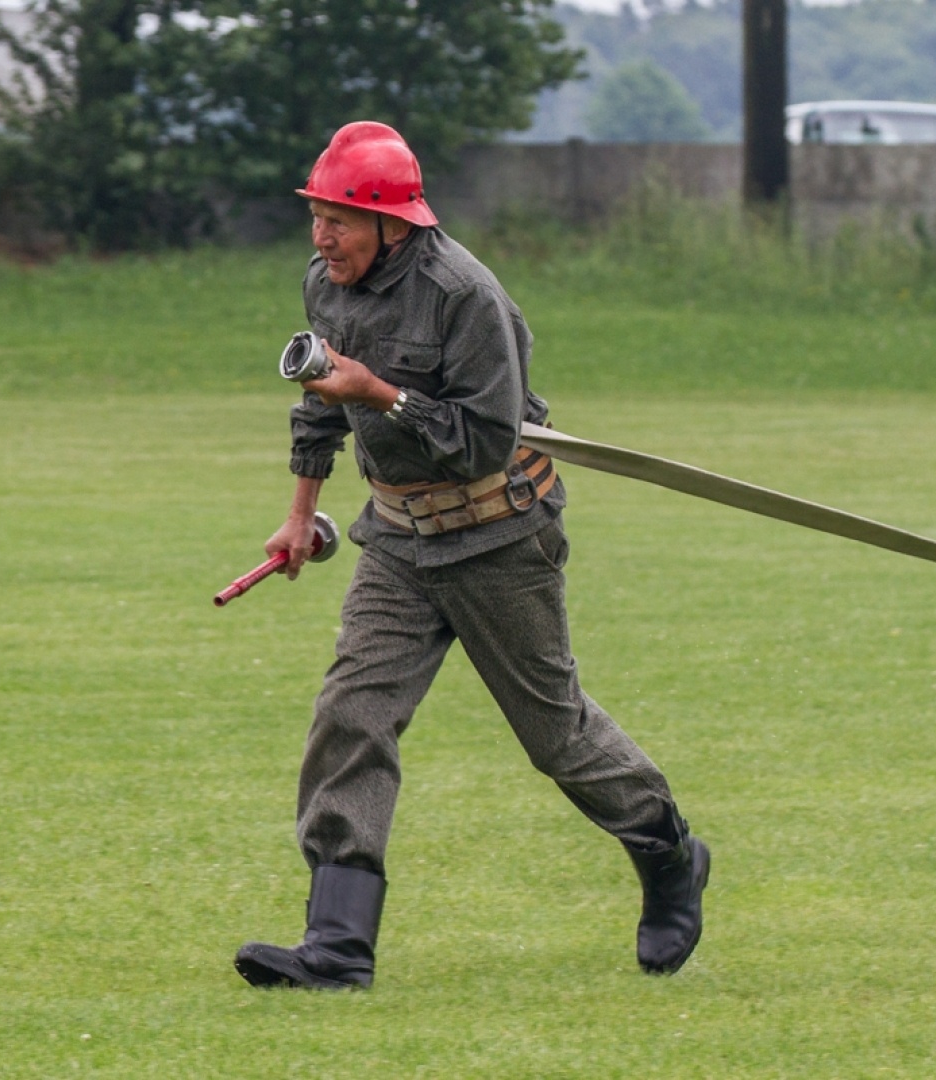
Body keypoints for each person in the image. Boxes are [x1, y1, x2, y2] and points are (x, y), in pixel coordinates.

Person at [233, 122, 709, 990]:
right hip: (397, 541)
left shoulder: (466, 297)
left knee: (556, 737)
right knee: (352, 713)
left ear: (393, 223)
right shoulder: (327, 285)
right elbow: (317, 402)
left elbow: (486, 440)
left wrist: (379, 391)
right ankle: (337, 948)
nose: (322, 237)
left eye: (340, 219)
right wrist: (299, 515)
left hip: (499, 535)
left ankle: (668, 851)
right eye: (316, 216)